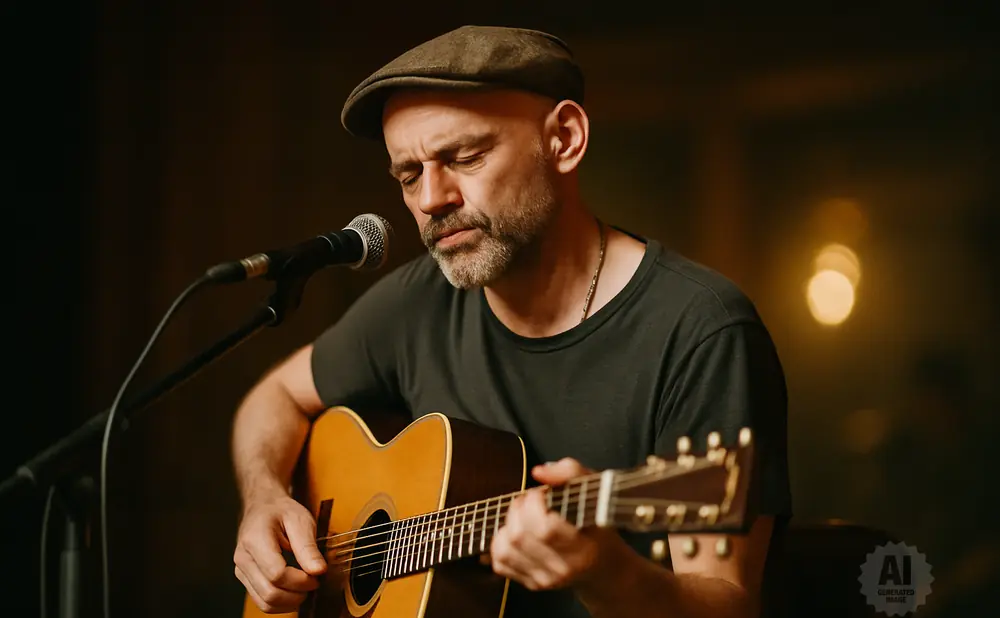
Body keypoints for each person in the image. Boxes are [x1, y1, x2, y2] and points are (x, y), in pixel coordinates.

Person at [231, 25, 792, 618]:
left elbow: (729, 605)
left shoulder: (700, 330)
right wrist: (263, 496)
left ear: (565, 139)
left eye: (464, 156)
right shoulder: (415, 303)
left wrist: (608, 573)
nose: (431, 199)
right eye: (409, 175)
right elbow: (273, 398)